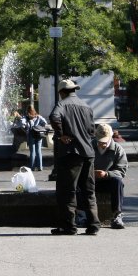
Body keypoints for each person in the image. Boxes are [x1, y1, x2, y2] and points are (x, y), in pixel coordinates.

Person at [48, 79, 100, 236]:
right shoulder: (86, 106)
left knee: (67, 191)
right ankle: (94, 224)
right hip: (88, 153)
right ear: (74, 90)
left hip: (71, 153)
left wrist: (61, 134)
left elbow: (54, 117)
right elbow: (92, 129)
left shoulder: (62, 104)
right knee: (89, 191)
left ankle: (68, 226)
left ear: (61, 92)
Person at [91, 123, 128, 229]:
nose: (102, 143)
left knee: (118, 182)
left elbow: (121, 171)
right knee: (79, 182)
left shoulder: (118, 149)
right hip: (91, 180)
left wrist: (107, 174)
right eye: (100, 141)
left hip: (108, 180)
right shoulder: (89, 146)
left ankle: (117, 215)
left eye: (105, 141)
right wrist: (91, 172)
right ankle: (82, 214)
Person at [24, 106, 47, 171]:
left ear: (28, 110)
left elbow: (22, 123)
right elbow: (45, 122)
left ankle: (32, 167)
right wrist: (39, 126)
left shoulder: (27, 117)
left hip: (32, 134)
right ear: (34, 110)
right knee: (39, 151)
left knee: (32, 152)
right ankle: (40, 167)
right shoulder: (38, 116)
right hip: (39, 134)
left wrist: (27, 125)